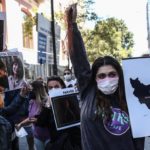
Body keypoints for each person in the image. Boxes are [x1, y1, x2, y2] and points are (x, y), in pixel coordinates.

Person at [65, 4, 145, 150]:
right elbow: (79, 58)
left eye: (112, 74)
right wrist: (72, 25)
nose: (107, 79)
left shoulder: (130, 98)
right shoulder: (88, 91)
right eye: (101, 75)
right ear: (94, 79)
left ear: (119, 76)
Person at [45, 75, 82, 150]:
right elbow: (42, 123)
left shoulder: (71, 99)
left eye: (56, 87)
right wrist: (48, 106)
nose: (54, 89)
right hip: (57, 143)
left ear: (62, 86)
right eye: (50, 88)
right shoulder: (47, 104)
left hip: (74, 142)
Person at [16, 80, 51, 150]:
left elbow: (49, 119)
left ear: (37, 90)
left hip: (49, 136)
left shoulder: (48, 101)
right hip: (37, 136)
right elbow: (31, 118)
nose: (30, 92)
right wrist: (20, 124)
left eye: (31, 90)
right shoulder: (32, 102)